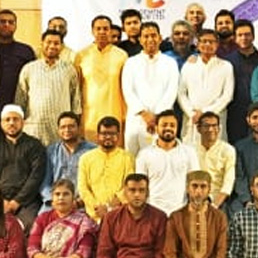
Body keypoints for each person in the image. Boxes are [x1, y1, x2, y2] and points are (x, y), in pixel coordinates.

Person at [0, 105, 47, 230]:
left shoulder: (35, 145)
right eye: (7, 120)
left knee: (27, 226)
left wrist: (17, 201)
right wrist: (1, 200)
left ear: (23, 122)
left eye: (15, 119)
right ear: (1, 123)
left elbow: (36, 176)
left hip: (27, 201)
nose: (11, 123)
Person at [15, 28, 81, 146]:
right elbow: (20, 98)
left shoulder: (69, 69)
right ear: (42, 44)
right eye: (48, 42)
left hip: (61, 129)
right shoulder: (29, 68)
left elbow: (75, 99)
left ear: (61, 46)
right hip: (34, 128)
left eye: (56, 43)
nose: (52, 46)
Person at [123, 21, 180, 154]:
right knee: (132, 159)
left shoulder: (170, 63)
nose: (150, 40)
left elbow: (171, 91)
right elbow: (128, 91)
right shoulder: (131, 62)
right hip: (136, 119)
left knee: (158, 156)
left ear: (160, 38)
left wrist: (156, 117)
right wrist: (144, 114)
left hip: (161, 120)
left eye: (153, 36)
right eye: (146, 36)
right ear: (140, 39)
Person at [134, 110, 200, 215]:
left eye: (172, 125)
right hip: (152, 214)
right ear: (156, 128)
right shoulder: (144, 154)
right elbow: (140, 187)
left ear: (177, 128)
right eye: (164, 125)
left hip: (180, 213)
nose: (168, 128)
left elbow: (195, 183)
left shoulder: (189, 152)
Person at [75, 15, 129, 143]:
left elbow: (126, 89)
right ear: (92, 31)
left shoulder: (121, 56)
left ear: (110, 31)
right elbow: (77, 88)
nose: (102, 32)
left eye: (105, 29)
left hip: (114, 111)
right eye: (98, 29)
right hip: (89, 116)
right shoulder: (81, 55)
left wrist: (125, 116)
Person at [178, 29, 235, 145]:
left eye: (211, 41)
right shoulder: (188, 65)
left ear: (217, 44)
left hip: (216, 118)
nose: (207, 44)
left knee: (216, 152)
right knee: (190, 152)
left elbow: (227, 96)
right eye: (204, 41)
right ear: (197, 44)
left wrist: (205, 113)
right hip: (192, 119)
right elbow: (181, 93)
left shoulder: (226, 66)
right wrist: (192, 113)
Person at [77, 116, 134, 223]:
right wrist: (97, 207)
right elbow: (83, 188)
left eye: (112, 134)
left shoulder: (127, 158)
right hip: (93, 217)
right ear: (97, 135)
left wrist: (109, 207)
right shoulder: (86, 159)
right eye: (104, 134)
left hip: (119, 215)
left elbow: (129, 186)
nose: (108, 137)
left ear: (118, 135)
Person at [222, 20, 258, 144]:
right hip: (235, 114)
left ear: (253, 36)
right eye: (240, 35)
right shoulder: (227, 62)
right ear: (234, 38)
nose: (244, 38)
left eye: (247, 34)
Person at [40, 112, 95, 211]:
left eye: (71, 126)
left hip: (82, 204)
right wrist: (53, 200)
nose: (67, 130)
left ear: (79, 128)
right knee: (41, 219)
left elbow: (96, 182)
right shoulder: (51, 151)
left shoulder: (92, 151)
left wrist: (80, 202)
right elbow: (45, 183)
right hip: (55, 203)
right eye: (63, 127)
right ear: (58, 130)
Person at [0, 9, 36, 118]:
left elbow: (33, 79)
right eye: (2, 22)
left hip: (19, 103)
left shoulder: (26, 51)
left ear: (15, 26)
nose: (7, 25)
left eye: (11, 22)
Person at [193, 113, 236, 209]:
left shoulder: (228, 150)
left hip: (219, 200)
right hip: (194, 198)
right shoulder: (191, 150)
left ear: (219, 129)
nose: (211, 129)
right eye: (206, 126)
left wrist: (214, 205)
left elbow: (228, 182)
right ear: (198, 129)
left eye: (214, 126)